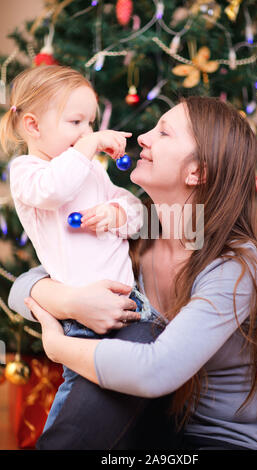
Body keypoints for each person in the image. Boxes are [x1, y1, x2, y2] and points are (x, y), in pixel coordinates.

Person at [8, 96, 257, 450]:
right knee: (115, 361)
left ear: (197, 171)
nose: (142, 137)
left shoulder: (235, 263)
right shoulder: (143, 226)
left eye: (164, 132)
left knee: (124, 350)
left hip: (230, 440)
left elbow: (154, 371)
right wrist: (72, 301)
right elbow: (21, 288)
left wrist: (58, 347)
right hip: (161, 421)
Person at [0, 64, 150, 432]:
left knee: (126, 407)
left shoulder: (93, 172)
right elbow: (55, 191)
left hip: (129, 304)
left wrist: (118, 213)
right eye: (76, 122)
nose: (88, 132)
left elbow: (133, 207)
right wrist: (89, 146)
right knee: (78, 409)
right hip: (82, 322)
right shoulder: (28, 172)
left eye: (90, 123)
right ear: (33, 126)